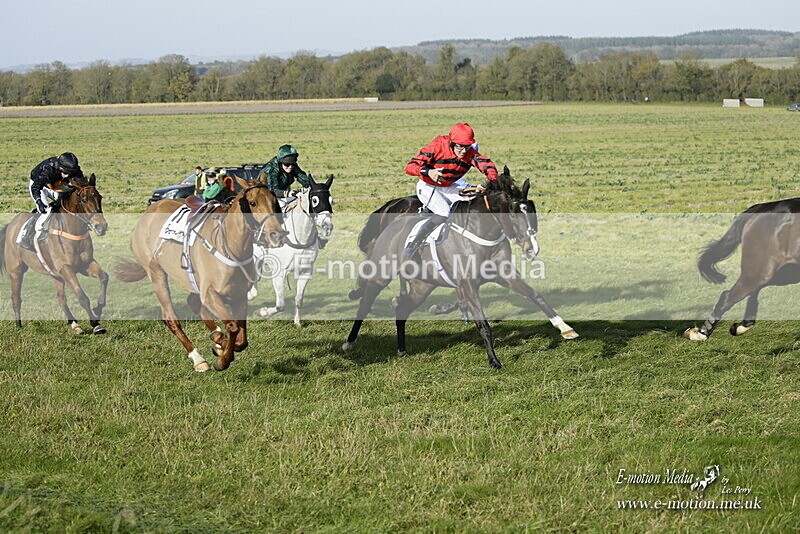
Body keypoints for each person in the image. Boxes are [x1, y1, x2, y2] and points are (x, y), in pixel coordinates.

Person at [403, 123, 498, 258]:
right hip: (427, 186)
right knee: (443, 212)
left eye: (467, 147)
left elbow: (487, 165)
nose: (464, 151)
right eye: (460, 147)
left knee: (473, 203)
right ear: (452, 143)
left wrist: (493, 182)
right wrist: (428, 171)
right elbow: (410, 167)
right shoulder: (436, 147)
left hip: (449, 186)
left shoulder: (470, 153)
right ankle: (414, 243)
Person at [18, 152, 84, 250]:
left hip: (57, 185)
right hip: (41, 186)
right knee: (45, 211)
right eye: (65, 172)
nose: (67, 176)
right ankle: (26, 234)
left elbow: (81, 184)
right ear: (59, 166)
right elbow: (36, 187)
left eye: (69, 173)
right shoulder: (47, 168)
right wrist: (39, 201)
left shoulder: (75, 169)